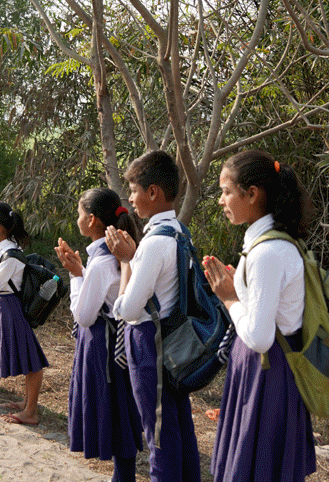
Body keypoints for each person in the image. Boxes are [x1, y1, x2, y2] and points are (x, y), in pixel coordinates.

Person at [202, 149, 316, 481]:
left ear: (252, 194)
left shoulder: (267, 252)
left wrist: (229, 300)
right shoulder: (271, 244)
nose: (221, 201)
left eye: (226, 191)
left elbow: (261, 337)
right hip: (268, 373)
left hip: (267, 374)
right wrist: (242, 292)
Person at [105, 150, 201, 482]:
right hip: (174, 341)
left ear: (153, 192)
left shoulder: (154, 243)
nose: (130, 199)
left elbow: (129, 310)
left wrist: (126, 262)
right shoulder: (181, 234)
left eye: (133, 190)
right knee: (178, 424)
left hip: (149, 343)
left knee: (158, 431)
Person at [55, 188, 143, 482]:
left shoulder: (102, 262)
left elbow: (83, 315)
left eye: (80, 214)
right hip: (118, 347)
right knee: (121, 413)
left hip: (102, 349)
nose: (77, 218)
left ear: (91, 220)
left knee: (112, 413)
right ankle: (123, 476)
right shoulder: (113, 255)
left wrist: (74, 275)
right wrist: (81, 270)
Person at [0, 201, 48, 426]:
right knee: (27, 358)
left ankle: (31, 412)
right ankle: (26, 403)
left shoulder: (11, 255)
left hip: (11, 309)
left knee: (32, 362)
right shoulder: (5, 249)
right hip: (4, 308)